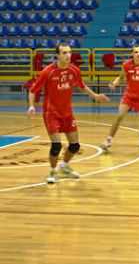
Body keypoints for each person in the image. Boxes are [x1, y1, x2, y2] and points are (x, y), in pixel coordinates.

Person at [27, 43, 110, 183]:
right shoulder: (48, 71)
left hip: (67, 114)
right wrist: (31, 106)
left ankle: (64, 166)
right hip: (51, 114)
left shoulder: (74, 70)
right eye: (64, 53)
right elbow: (32, 90)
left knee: (75, 145)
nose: (68, 55)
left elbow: (82, 86)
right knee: (56, 146)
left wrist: (95, 96)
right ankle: (53, 172)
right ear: (57, 55)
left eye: (69, 52)